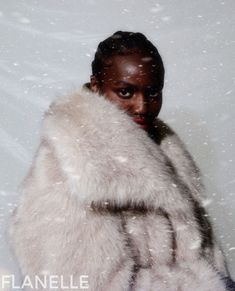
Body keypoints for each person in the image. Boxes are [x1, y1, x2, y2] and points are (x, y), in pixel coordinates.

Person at [9, 31, 234, 290]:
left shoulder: (165, 148)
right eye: (126, 92)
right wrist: (209, 285)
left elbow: (204, 252)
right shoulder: (72, 165)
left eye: (153, 93)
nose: (142, 107)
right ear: (96, 86)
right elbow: (88, 284)